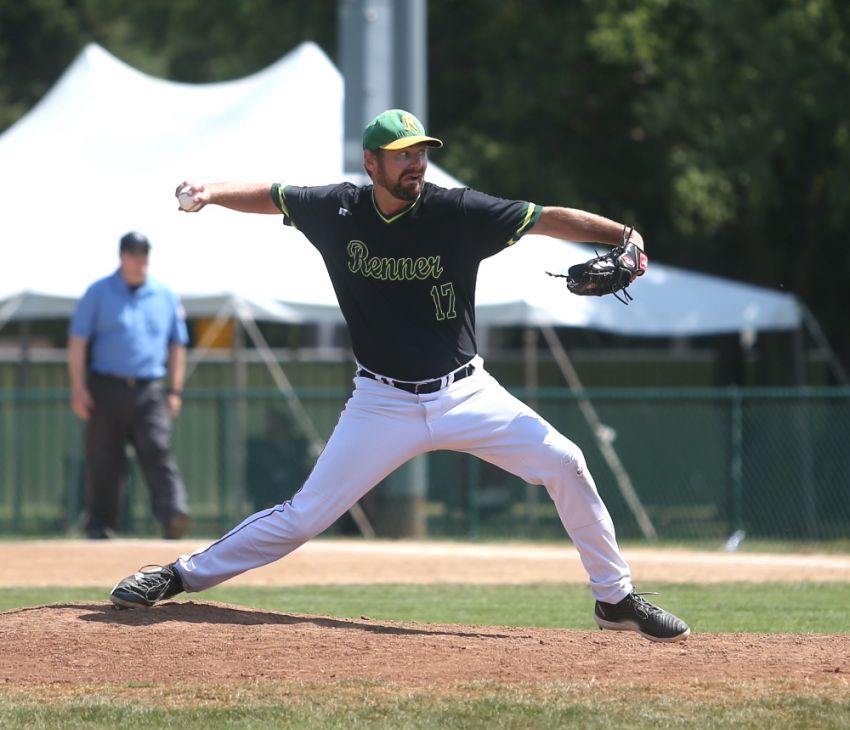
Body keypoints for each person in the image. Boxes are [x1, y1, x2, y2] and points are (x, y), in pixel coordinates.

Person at [110, 110, 690, 642]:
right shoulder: (338, 209)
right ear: (372, 163)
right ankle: (177, 577)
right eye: (402, 153)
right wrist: (211, 193)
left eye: (421, 152)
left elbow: (543, 218)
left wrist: (623, 237)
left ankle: (613, 600)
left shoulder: (455, 211)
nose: (416, 162)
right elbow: (272, 195)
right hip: (380, 402)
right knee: (305, 514)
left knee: (566, 463)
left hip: (466, 392)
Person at [69, 231, 192, 540]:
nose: (141, 261)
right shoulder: (98, 292)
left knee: (158, 448)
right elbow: (77, 342)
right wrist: (78, 387)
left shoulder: (165, 295)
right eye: (134, 254)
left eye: (145, 254)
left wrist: (175, 391)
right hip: (105, 386)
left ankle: (173, 514)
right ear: (122, 256)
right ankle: (100, 523)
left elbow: (178, 345)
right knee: (104, 457)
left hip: (150, 388)